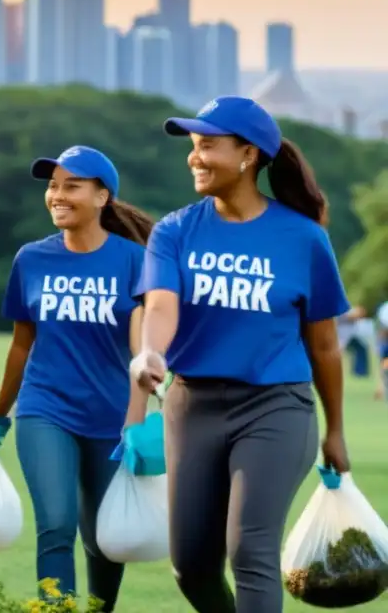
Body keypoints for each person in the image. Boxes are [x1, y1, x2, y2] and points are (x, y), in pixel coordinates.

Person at [130, 96, 352, 613]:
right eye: (193, 146)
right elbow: (161, 306)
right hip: (192, 405)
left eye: (208, 146)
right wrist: (148, 354)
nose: (195, 157)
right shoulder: (175, 230)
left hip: (275, 406)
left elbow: (324, 344)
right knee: (192, 566)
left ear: (248, 155)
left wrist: (335, 429)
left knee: (249, 550)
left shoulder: (302, 238)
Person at [0, 146, 154, 610]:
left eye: (71, 185)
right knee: (55, 523)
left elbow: (142, 351)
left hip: (111, 416)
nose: (57, 195)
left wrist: (137, 420)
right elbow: (21, 343)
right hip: (45, 409)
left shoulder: (135, 261)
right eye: (53, 186)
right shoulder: (31, 259)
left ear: (101, 197)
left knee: (104, 538)